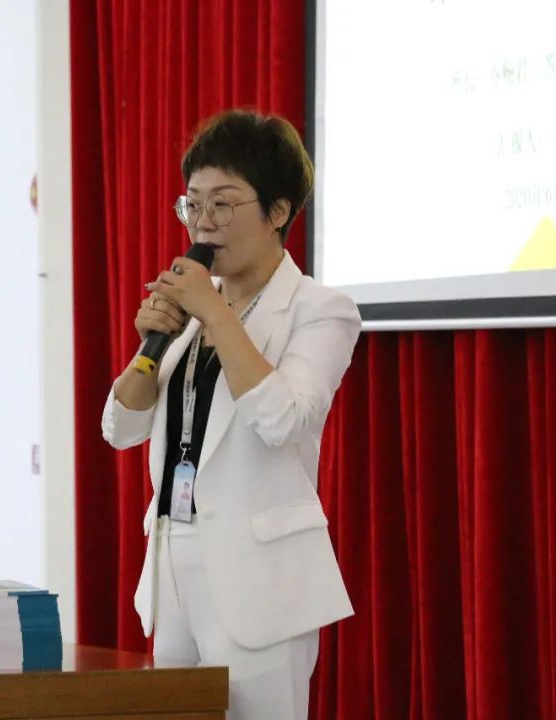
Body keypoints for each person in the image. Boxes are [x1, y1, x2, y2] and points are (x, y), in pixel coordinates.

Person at [101, 109, 361, 720]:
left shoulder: (320, 309)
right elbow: (121, 429)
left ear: (277, 212)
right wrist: (148, 349)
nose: (202, 222)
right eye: (192, 204)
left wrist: (213, 315)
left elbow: (283, 420)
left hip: (261, 581)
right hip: (175, 570)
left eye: (222, 204)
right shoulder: (192, 310)